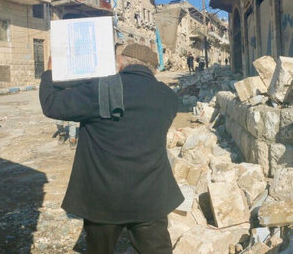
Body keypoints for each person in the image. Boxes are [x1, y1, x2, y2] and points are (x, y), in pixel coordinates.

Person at [39, 44, 184, 254]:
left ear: (121, 62)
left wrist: (50, 73)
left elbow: (52, 104)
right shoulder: (169, 97)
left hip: (103, 199)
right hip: (150, 197)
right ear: (153, 69)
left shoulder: (102, 89)